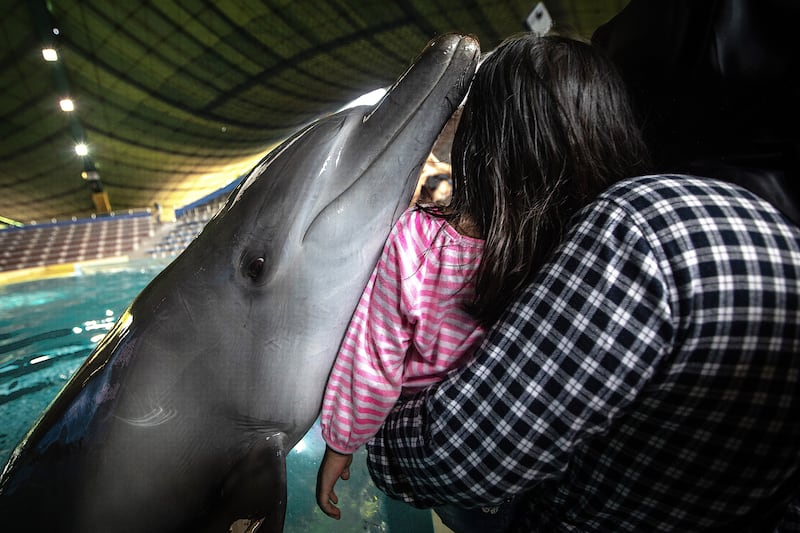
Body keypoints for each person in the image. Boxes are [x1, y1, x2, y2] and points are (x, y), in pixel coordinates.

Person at [365, 18, 800, 533]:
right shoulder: (763, 219)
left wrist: (367, 422)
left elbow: (455, 458)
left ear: (495, 148)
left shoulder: (639, 227)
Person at [317, 31, 652, 532]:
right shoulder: (589, 252)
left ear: (477, 140)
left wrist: (341, 442)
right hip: (546, 470)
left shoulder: (419, 243)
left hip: (445, 463)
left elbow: (374, 358)